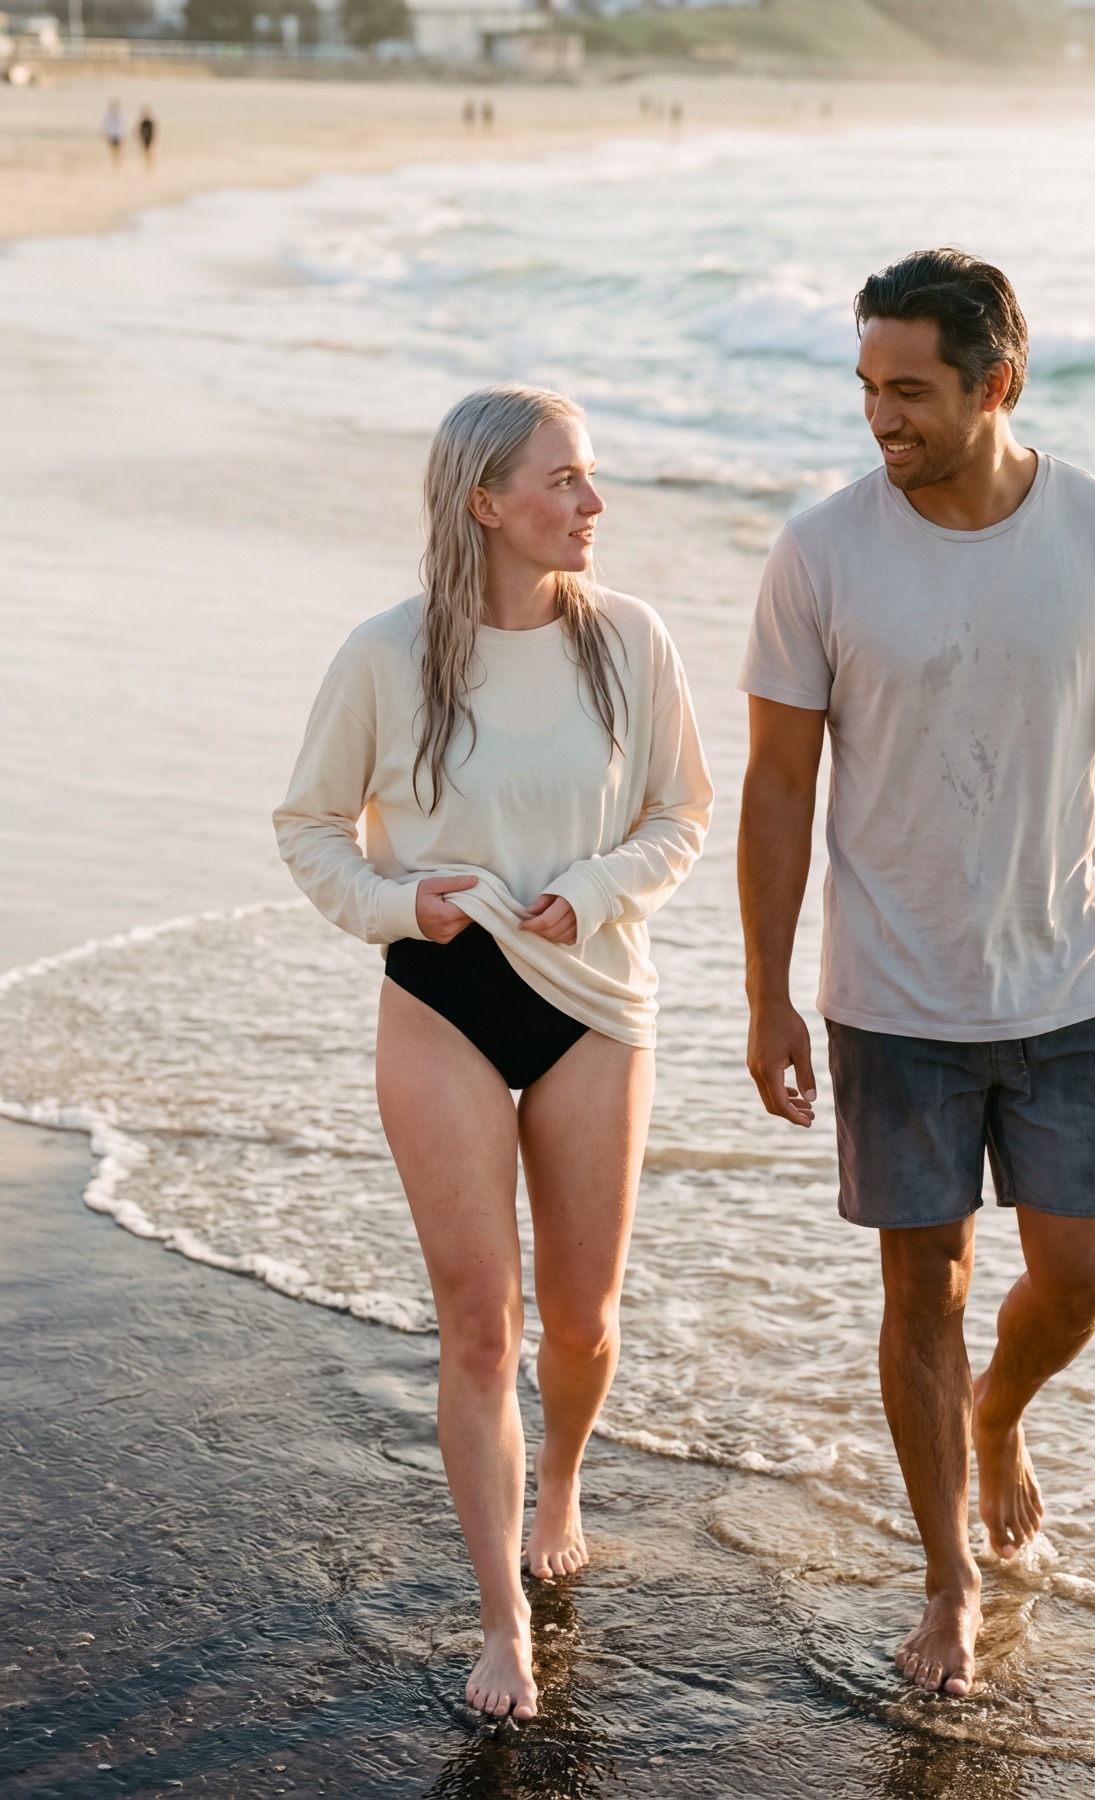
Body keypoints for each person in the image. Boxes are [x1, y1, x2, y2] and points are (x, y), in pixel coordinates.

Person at [737, 249, 1095, 1697]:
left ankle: (999, 1417)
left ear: (996, 384)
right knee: (922, 1294)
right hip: (892, 994)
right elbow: (775, 787)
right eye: (865, 389)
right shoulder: (820, 552)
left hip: (1069, 982)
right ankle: (947, 1579)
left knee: (1076, 1276)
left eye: (910, 392)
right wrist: (764, 989)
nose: (879, 420)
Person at [275, 385, 712, 1721]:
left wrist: (598, 887)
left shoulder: (629, 640)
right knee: (479, 1329)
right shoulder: (384, 655)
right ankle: (502, 1624)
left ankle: (562, 1482)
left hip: (590, 997)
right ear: (486, 503)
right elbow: (308, 827)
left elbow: (682, 808)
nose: (592, 503)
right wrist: (404, 905)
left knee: (579, 1322)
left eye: (589, 477)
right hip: (443, 998)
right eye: (566, 479)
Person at [102, 100, 124, 168]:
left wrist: (123, 135)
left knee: (119, 149)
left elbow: (123, 125)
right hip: (111, 134)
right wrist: (106, 134)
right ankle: (114, 162)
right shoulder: (109, 115)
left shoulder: (121, 115)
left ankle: (119, 162)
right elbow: (106, 125)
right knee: (112, 149)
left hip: (118, 134)